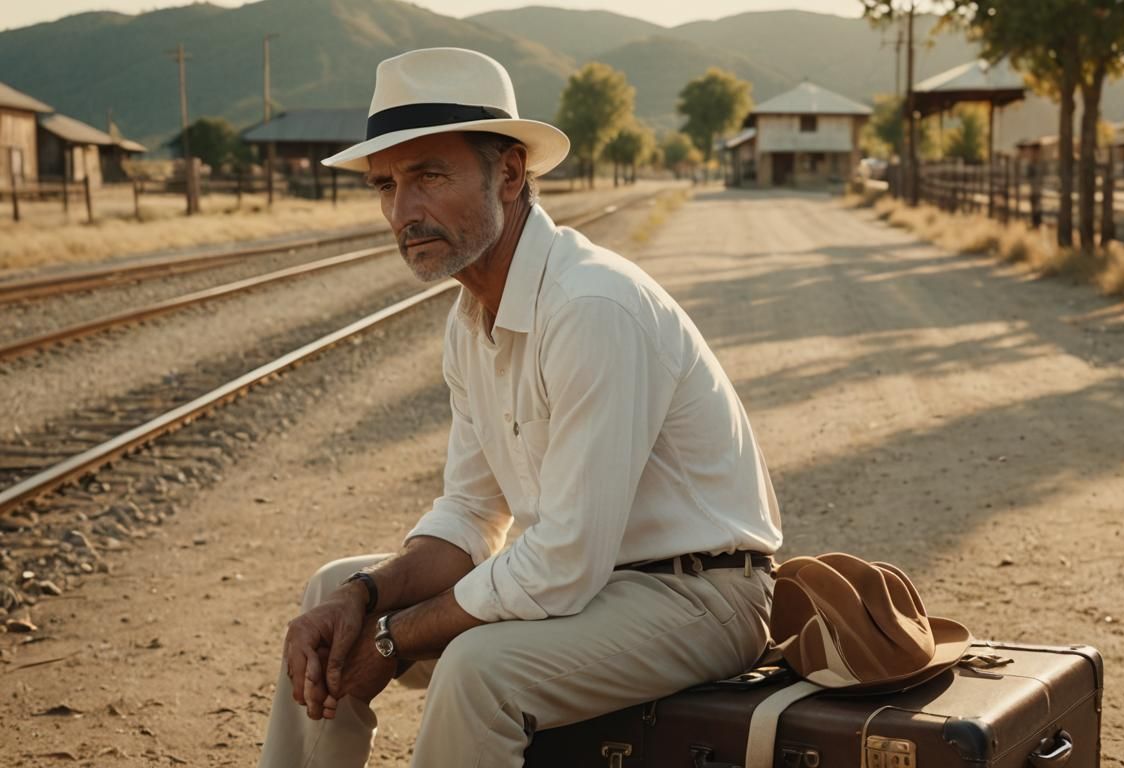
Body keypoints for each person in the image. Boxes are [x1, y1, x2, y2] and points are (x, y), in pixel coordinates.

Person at [256, 48, 783, 768]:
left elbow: (563, 559)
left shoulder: (590, 306)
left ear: (508, 172)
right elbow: (472, 517)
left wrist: (394, 638)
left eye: (429, 176)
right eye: (386, 185)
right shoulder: (470, 320)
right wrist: (366, 596)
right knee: (331, 600)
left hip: (697, 599)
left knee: (480, 670)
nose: (403, 212)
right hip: (594, 588)